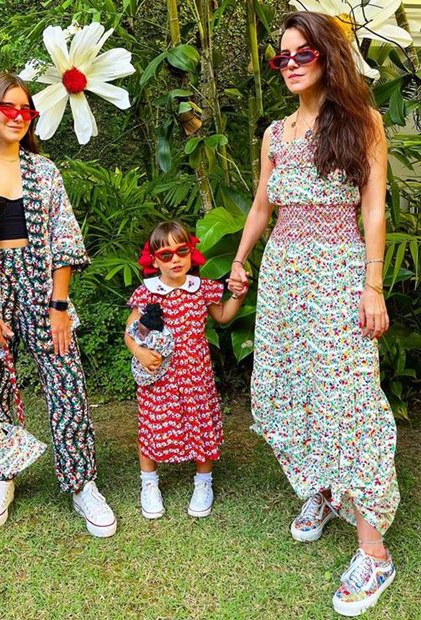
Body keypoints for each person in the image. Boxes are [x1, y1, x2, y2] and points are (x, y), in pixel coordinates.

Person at [228, 12, 399, 617]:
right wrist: (242, 261)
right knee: (292, 387)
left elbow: (374, 211)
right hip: (281, 280)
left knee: (346, 397)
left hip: (337, 276)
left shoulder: (361, 122)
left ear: (329, 56)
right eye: (283, 56)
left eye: (305, 53)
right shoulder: (275, 134)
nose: (292, 63)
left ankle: (373, 551)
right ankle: (321, 490)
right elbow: (259, 207)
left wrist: (372, 286)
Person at [0, 72, 117, 538]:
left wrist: (58, 304)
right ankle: (1, 475)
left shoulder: (44, 171)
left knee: (66, 379)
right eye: (7, 108)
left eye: (25, 110)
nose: (17, 116)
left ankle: (81, 481)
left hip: (41, 282)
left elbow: (66, 241)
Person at [125, 221, 246, 520]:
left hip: (196, 375)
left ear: (191, 253)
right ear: (153, 261)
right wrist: (139, 351)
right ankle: (149, 482)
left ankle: (203, 481)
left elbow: (224, 316)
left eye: (181, 251)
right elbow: (130, 332)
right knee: (153, 423)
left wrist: (238, 296)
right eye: (165, 255)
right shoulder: (147, 293)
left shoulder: (201, 288)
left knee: (200, 422)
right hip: (159, 375)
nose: (175, 259)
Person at [126, 303, 174, 386]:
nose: (139, 335)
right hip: (149, 375)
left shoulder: (158, 340)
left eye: (142, 333)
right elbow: (128, 334)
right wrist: (137, 350)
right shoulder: (144, 293)